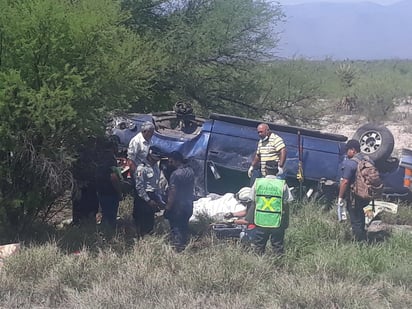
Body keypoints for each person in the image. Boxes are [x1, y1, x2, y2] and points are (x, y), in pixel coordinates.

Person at [245, 160, 293, 255]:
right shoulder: (282, 184)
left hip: (260, 220)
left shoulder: (258, 182)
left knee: (258, 247)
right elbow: (286, 203)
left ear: (265, 170)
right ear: (277, 171)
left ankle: (258, 266)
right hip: (277, 221)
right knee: (277, 247)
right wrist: (286, 221)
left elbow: (252, 201)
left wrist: (249, 219)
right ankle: (278, 266)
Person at [337, 139, 370, 242]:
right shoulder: (368, 160)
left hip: (354, 196)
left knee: (355, 219)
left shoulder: (350, 164)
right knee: (360, 216)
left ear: (353, 150)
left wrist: (340, 198)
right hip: (366, 195)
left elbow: (345, 182)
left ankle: (359, 243)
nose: (347, 154)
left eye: (348, 151)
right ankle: (363, 237)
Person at [164, 151, 195, 252]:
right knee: (184, 228)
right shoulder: (190, 171)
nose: (169, 164)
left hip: (177, 207)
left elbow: (173, 192)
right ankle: (184, 248)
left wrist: (168, 208)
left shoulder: (175, 174)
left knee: (176, 230)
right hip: (188, 205)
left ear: (176, 160)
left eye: (171, 161)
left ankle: (177, 251)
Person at [133, 146, 164, 238]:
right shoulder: (141, 168)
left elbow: (156, 185)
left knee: (150, 221)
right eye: (155, 158)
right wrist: (148, 200)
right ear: (150, 155)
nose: (156, 160)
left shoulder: (156, 168)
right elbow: (139, 187)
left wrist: (159, 199)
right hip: (143, 198)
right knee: (142, 222)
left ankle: (148, 239)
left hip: (153, 196)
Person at [95, 139, 123, 229]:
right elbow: (113, 177)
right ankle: (109, 233)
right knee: (111, 217)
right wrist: (119, 192)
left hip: (101, 190)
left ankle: (104, 231)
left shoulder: (100, 157)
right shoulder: (111, 158)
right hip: (110, 191)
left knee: (104, 213)